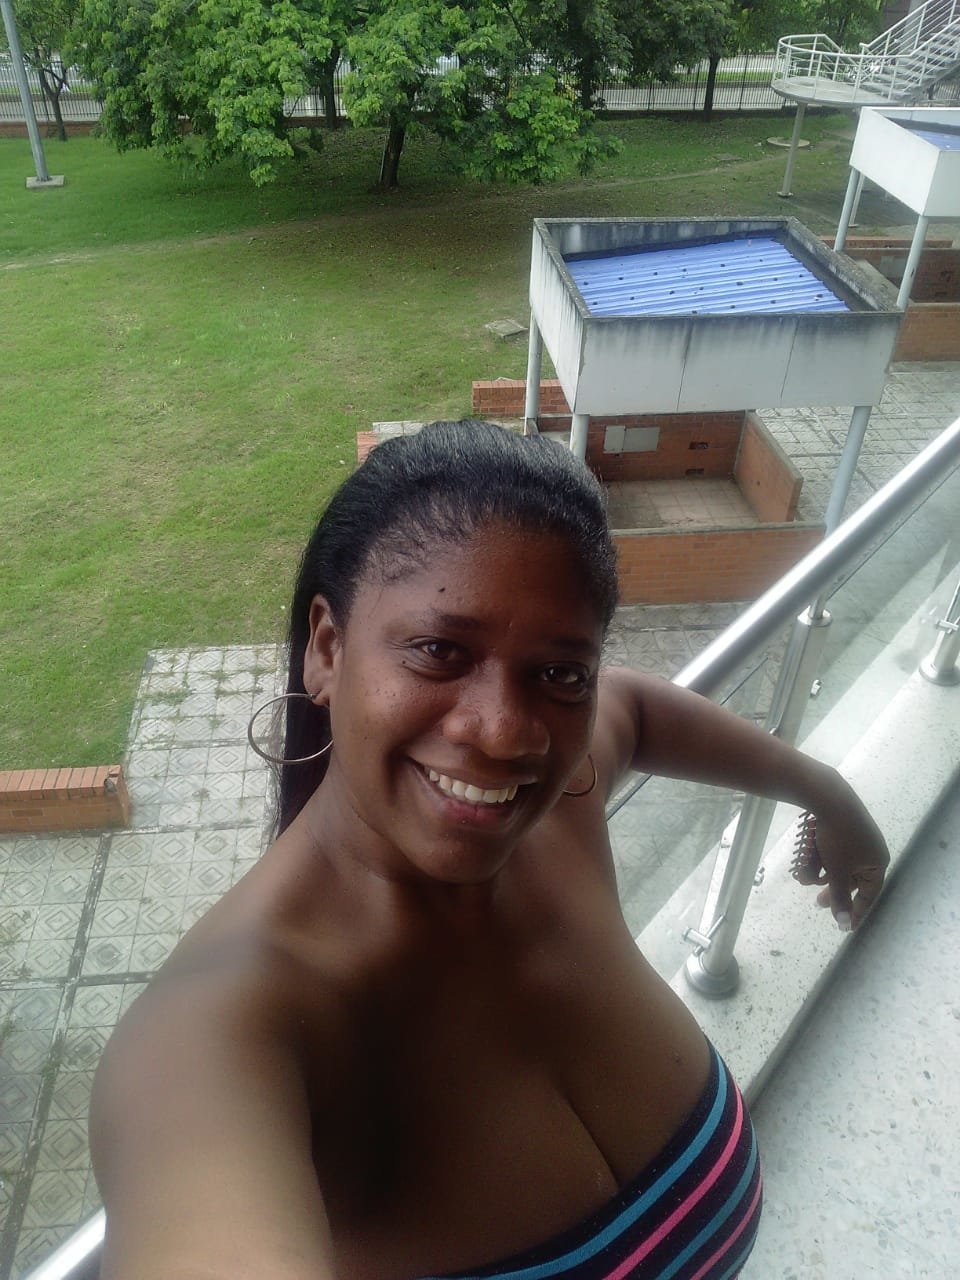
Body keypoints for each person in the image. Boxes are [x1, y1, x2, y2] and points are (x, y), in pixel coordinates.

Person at [90, 421, 889, 1280]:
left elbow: (637, 707)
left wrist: (829, 794)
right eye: (440, 651)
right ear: (327, 648)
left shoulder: (561, 811)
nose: (507, 734)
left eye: (559, 674)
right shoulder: (220, 1035)